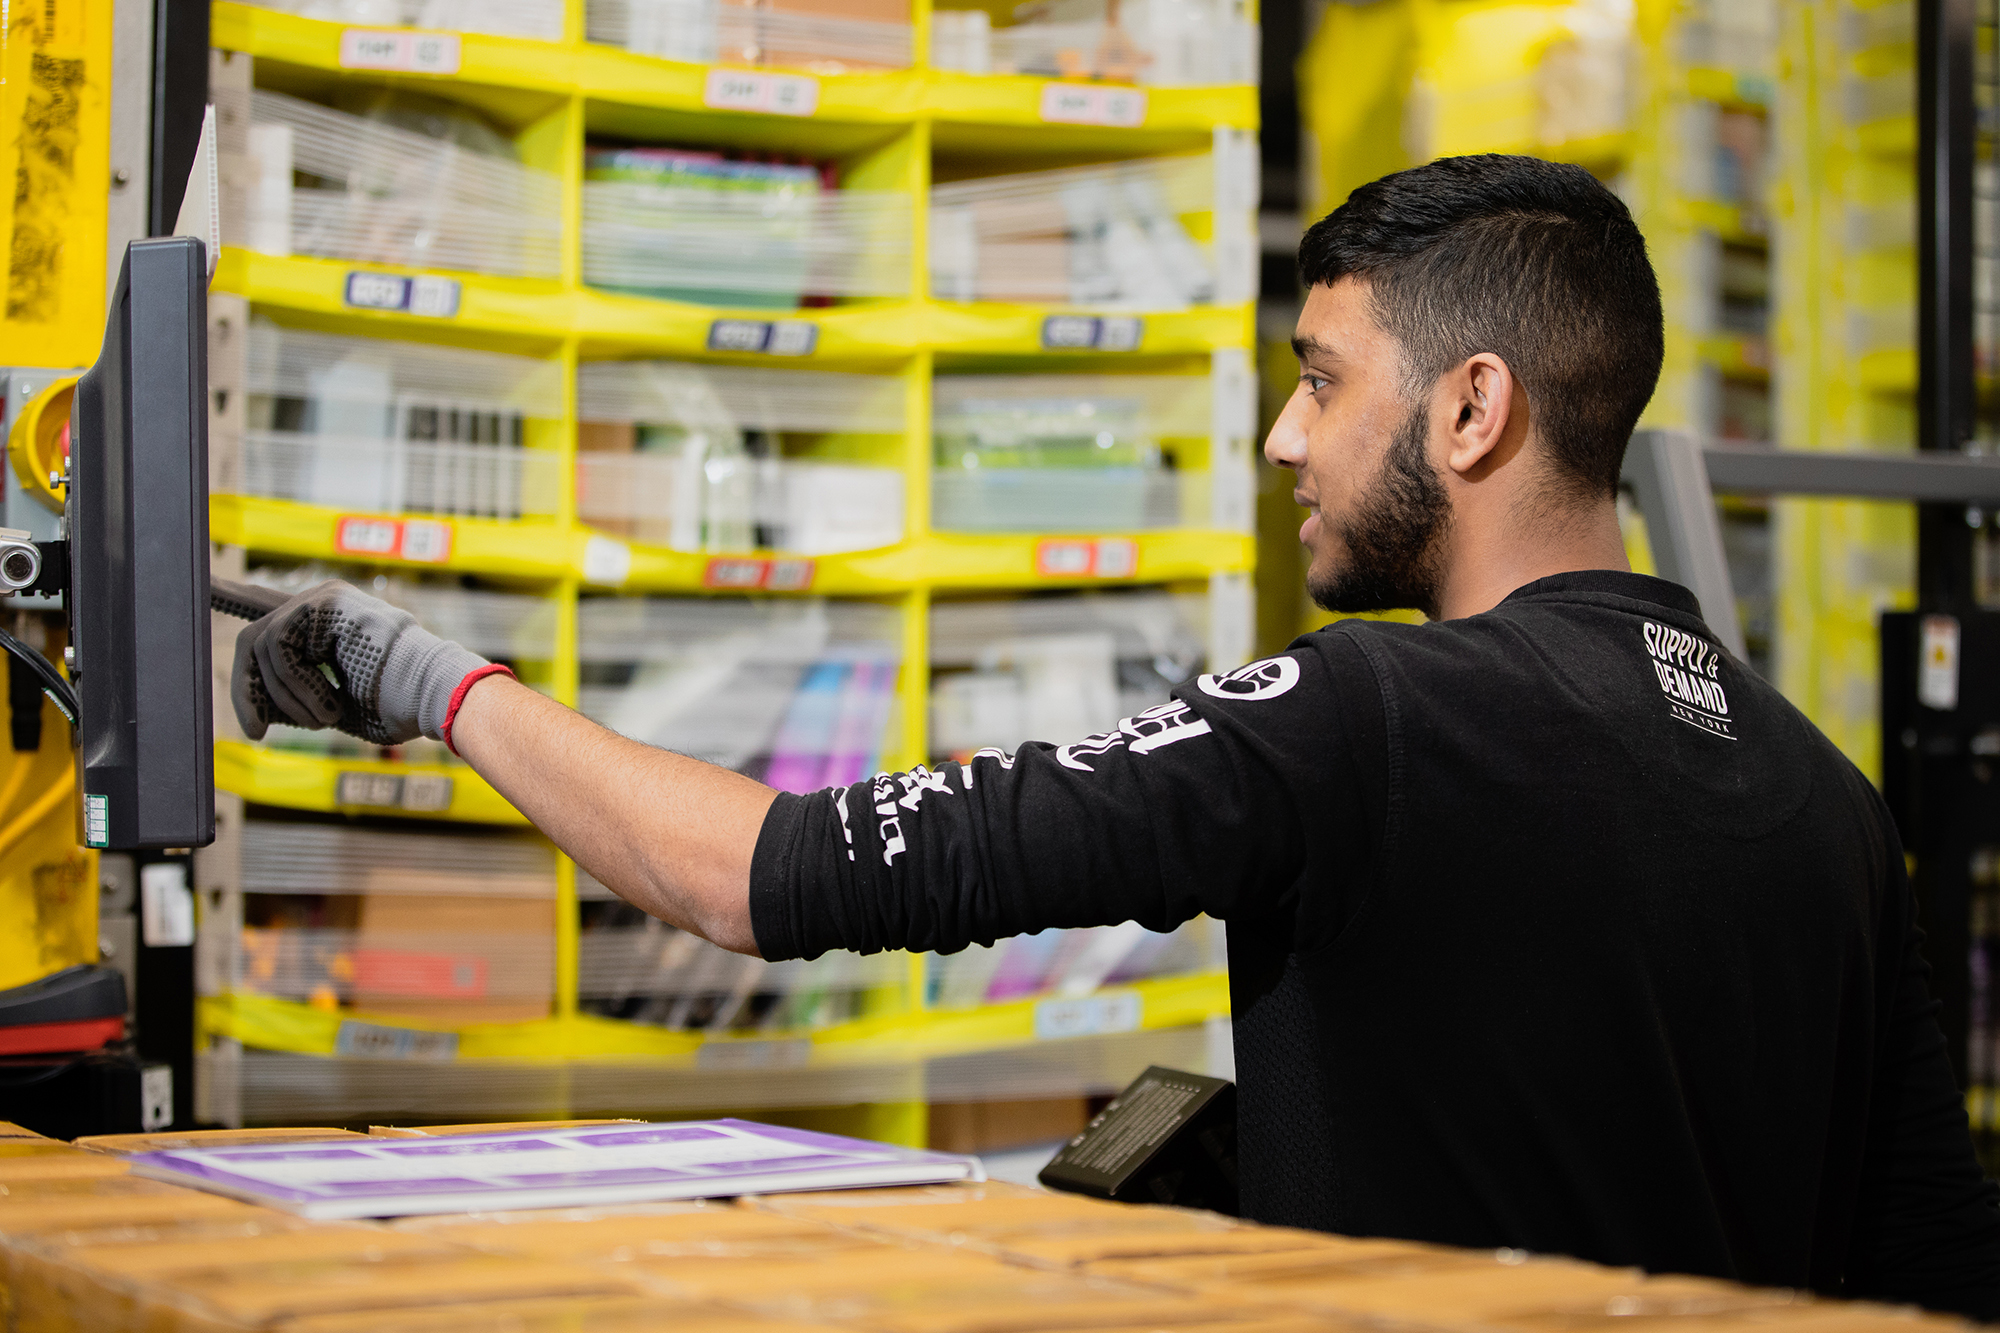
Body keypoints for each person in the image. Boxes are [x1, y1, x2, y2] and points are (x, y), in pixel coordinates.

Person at [229, 154, 2000, 1315]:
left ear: (1472, 410)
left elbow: (756, 876)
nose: (1283, 443)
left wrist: (419, 677)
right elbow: (1933, 1274)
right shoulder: (1829, 803)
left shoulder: (1364, 711)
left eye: (1319, 377)